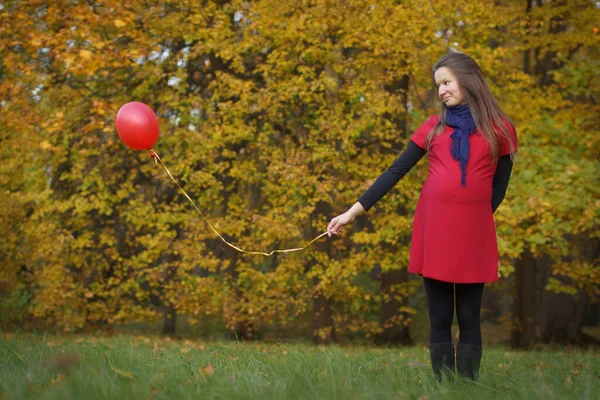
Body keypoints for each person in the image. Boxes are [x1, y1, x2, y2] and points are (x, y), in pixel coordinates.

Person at [327, 52, 517, 382]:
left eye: (446, 82)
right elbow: (396, 170)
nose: (441, 90)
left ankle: (467, 385)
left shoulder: (500, 129)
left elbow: (499, 186)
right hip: (435, 228)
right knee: (440, 314)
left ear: (467, 80)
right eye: (438, 85)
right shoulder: (433, 127)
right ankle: (444, 384)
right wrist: (352, 211)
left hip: (474, 232)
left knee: (470, 314)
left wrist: (477, 219)